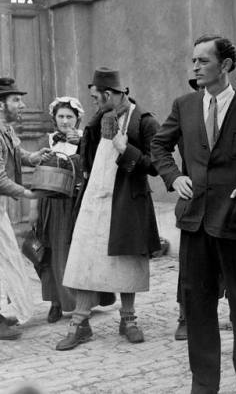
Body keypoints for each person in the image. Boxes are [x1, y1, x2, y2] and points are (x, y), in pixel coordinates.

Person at [151, 34, 236, 394]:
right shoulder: (184, 105)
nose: (195, 66)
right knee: (198, 310)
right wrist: (173, 175)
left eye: (203, 61)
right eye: (193, 60)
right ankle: (204, 385)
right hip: (194, 223)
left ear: (225, 65)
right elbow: (159, 145)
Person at [56, 67, 161, 350]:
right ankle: (80, 323)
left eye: (96, 98)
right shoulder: (98, 121)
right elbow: (88, 156)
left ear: (109, 94)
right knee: (85, 257)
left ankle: (128, 319)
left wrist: (126, 150)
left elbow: (157, 164)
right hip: (95, 199)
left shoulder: (143, 121)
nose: (93, 103)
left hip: (127, 201)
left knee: (126, 259)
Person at [0, 78, 52, 339]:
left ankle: (2, 314)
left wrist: (34, 157)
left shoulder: (5, 129)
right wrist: (27, 193)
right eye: (16, 100)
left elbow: (18, 152)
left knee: (7, 258)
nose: (22, 105)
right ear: (1, 104)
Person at [30, 97, 84, 323]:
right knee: (48, 253)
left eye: (69, 117)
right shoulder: (49, 141)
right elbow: (38, 177)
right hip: (49, 204)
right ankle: (54, 301)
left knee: (71, 254)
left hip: (72, 203)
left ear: (77, 119)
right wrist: (34, 209)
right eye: (60, 117)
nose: (64, 121)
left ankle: (80, 302)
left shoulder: (84, 141)